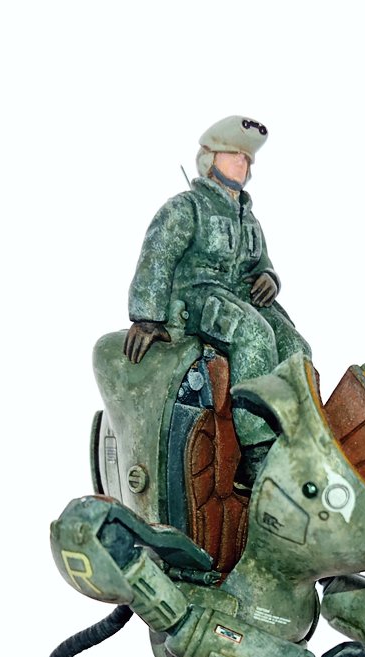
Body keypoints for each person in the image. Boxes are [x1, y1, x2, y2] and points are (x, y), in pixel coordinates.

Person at [124, 115, 311, 486]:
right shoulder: (187, 208)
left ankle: (297, 436)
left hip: (240, 296)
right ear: (210, 159)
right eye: (234, 155)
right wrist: (147, 317)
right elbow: (158, 256)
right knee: (254, 337)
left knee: (296, 347)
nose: (242, 163)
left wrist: (269, 278)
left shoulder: (249, 218)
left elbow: (261, 263)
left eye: (247, 158)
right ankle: (255, 451)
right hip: (197, 297)